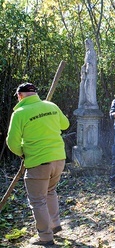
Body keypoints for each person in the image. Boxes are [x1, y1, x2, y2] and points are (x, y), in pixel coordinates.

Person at [6, 83, 70, 245]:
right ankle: (55, 225)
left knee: (38, 200)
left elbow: (12, 142)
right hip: (58, 159)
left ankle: (45, 237)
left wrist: (23, 153)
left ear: (20, 96)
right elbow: (65, 125)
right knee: (50, 191)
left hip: (38, 162)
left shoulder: (20, 113)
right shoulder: (51, 106)